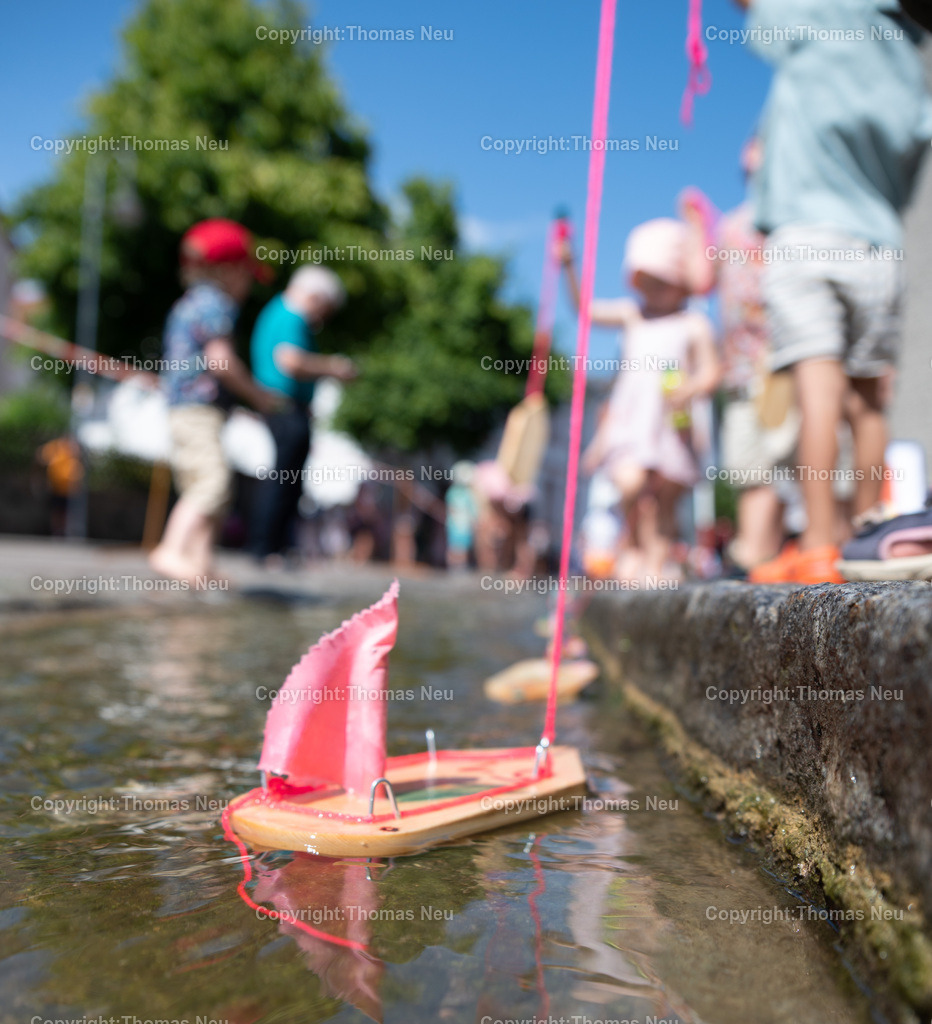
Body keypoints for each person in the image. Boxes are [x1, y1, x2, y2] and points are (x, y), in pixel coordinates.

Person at [733, 0, 932, 584]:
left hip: (805, 236)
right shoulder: (901, 42)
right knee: (868, 399)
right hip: (879, 245)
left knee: (818, 395)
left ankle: (820, 545)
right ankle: (867, 538)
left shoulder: (810, 14)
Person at [559, 218, 720, 582]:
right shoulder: (633, 315)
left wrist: (690, 389)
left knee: (664, 502)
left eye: (662, 281)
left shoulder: (693, 324)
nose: (654, 291)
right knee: (630, 484)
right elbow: (585, 310)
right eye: (646, 282)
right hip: (632, 424)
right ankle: (631, 547)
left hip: (671, 426)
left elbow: (712, 372)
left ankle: (655, 562)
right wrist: (570, 264)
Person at [680, 140, 798, 576]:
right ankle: (757, 558)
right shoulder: (731, 226)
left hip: (788, 363)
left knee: (788, 458)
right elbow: (700, 280)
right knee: (752, 469)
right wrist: (696, 226)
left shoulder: (793, 221)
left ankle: (768, 554)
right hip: (743, 371)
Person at [149, 218, 279, 583]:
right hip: (197, 408)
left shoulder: (189, 303)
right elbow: (220, 362)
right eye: (246, 275)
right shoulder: (215, 304)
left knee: (208, 489)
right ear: (228, 271)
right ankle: (171, 551)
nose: (248, 284)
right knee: (212, 484)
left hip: (186, 408)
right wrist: (257, 395)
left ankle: (201, 563)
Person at [249, 265, 355, 564]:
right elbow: (291, 362)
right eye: (326, 308)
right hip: (284, 406)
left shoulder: (281, 313)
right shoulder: (291, 315)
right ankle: (267, 549)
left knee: (286, 476)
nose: (323, 318)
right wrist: (334, 367)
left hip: (283, 406)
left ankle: (273, 548)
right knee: (284, 477)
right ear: (317, 297)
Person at [445, 460, 478, 569]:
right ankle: (455, 565)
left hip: (461, 524)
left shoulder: (456, 491)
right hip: (456, 524)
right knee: (456, 546)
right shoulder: (458, 492)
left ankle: (458, 566)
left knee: (460, 546)